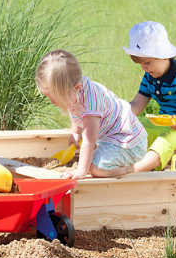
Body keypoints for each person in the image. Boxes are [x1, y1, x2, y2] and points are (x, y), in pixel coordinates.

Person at [35, 50, 148, 180]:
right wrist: (76, 132)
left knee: (95, 169)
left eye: (56, 97)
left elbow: (89, 140)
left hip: (128, 141)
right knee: (90, 157)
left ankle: (130, 168)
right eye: (49, 97)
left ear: (77, 88)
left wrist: (81, 171)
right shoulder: (74, 91)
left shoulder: (91, 104)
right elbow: (72, 108)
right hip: (110, 137)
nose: (53, 102)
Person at [122, 21, 176, 173]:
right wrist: (120, 114)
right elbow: (137, 104)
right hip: (164, 120)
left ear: (164, 56)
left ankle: (135, 169)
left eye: (147, 62)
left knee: (164, 140)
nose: (144, 68)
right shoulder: (149, 76)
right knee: (134, 130)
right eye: (141, 64)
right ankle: (119, 159)